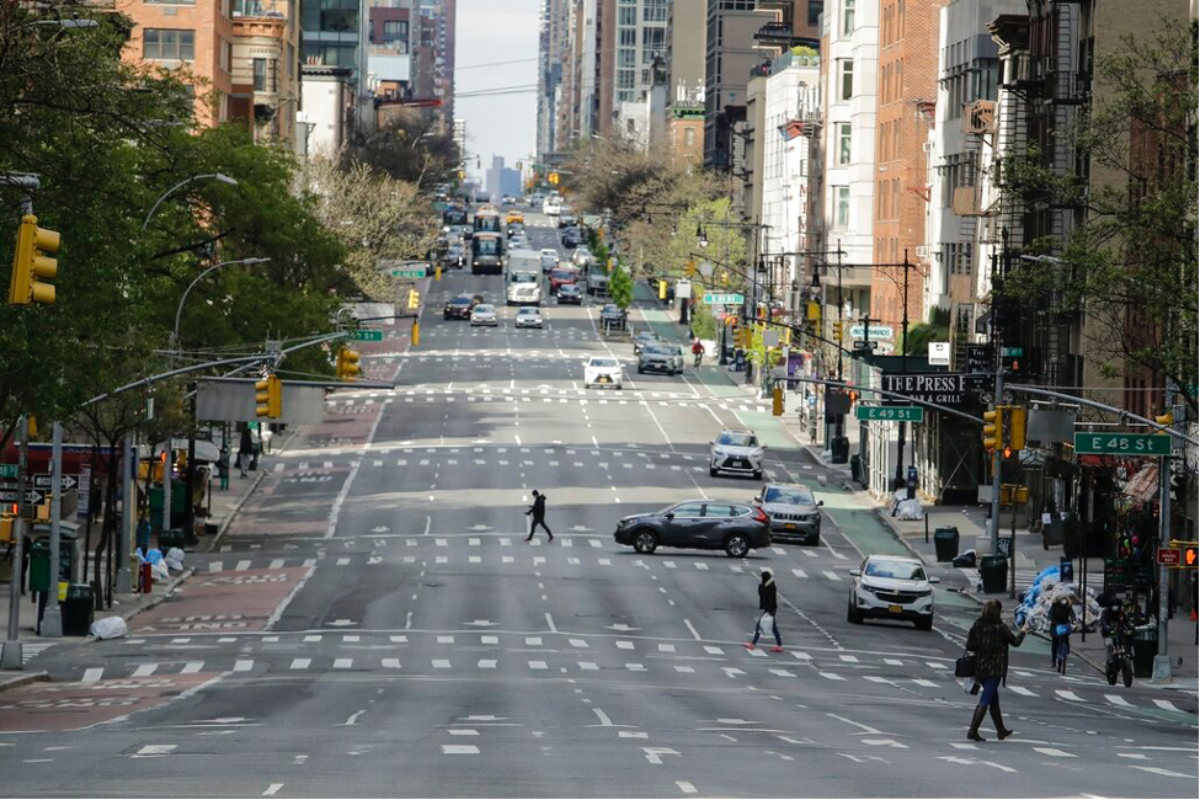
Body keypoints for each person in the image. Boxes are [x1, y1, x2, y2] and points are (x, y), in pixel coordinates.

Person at [965, 599, 1028, 742]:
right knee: (986, 699)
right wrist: (1023, 631)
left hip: (980, 668)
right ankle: (973, 730)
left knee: (993, 699)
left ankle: (1001, 730)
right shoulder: (1001, 628)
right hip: (995, 669)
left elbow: (970, 645)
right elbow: (1016, 642)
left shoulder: (978, 625)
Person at [745, 571, 783, 653]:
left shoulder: (771, 587)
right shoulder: (766, 585)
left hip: (770, 609)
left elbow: (771, 599)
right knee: (773, 628)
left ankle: (753, 644)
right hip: (769, 609)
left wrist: (768, 611)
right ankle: (779, 645)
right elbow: (761, 594)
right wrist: (761, 587)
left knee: (759, 625)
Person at [1048, 596, 1076, 673]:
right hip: (1055, 624)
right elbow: (1050, 613)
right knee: (1055, 642)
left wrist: (1074, 621)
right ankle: (1054, 660)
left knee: (1066, 638)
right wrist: (1049, 620)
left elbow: (1072, 614)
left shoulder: (1068, 606)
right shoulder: (1054, 605)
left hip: (1064, 624)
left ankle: (1066, 652)